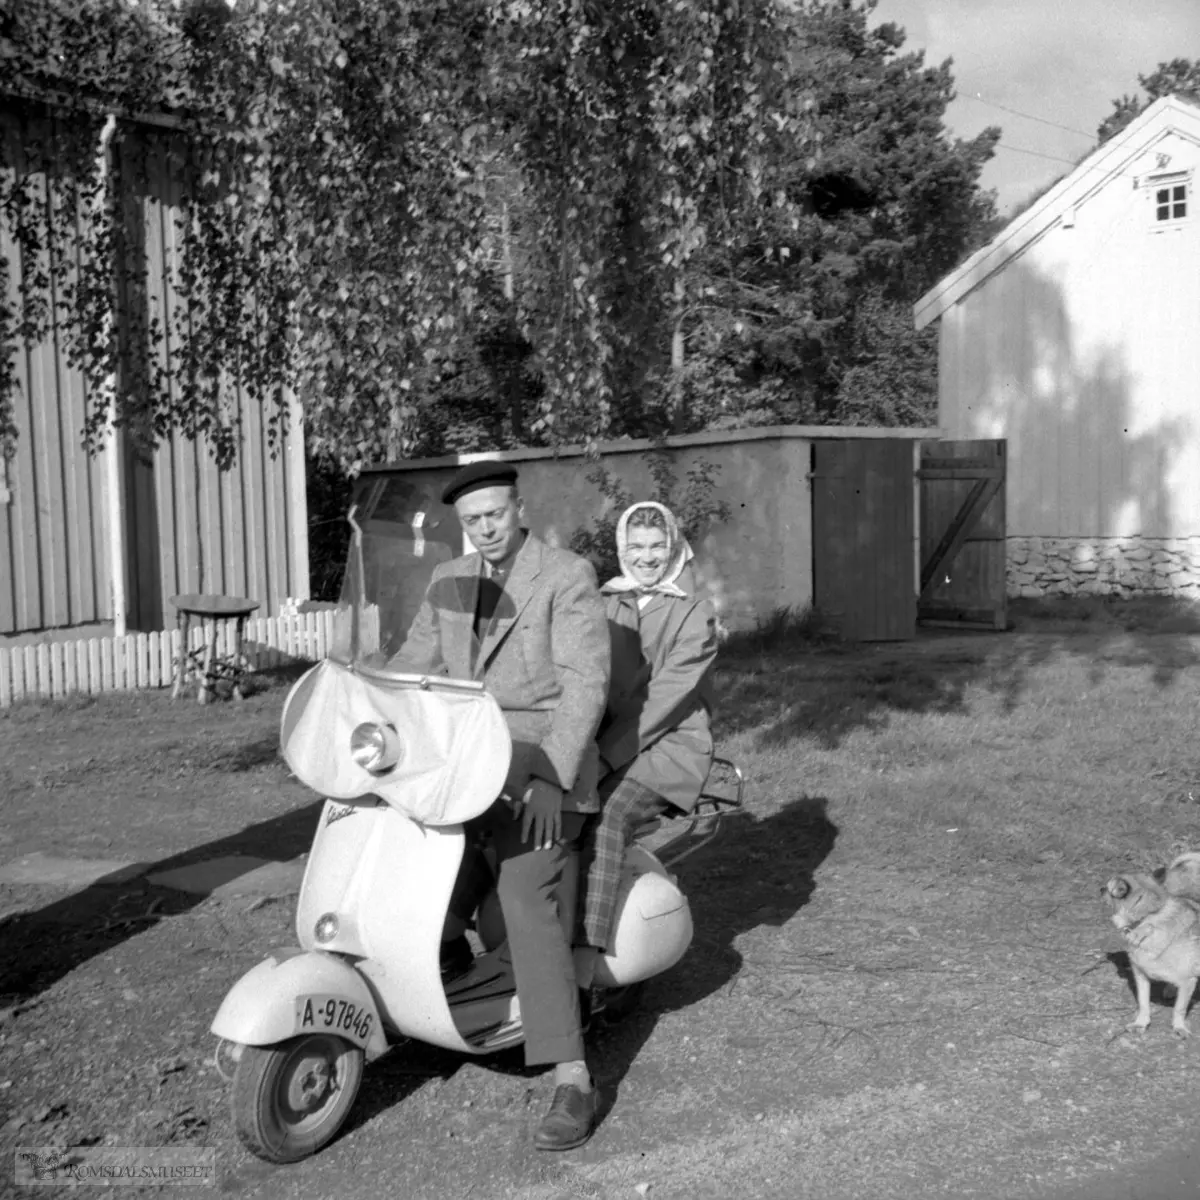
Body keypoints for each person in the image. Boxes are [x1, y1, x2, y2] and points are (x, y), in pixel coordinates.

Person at [388, 460, 609, 1152]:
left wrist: (550, 775)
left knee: (523, 891)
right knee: (409, 867)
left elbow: (584, 688)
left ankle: (571, 1073)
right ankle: (442, 986)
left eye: (494, 514)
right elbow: (409, 662)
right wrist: (362, 700)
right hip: (464, 767)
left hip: (543, 766)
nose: (484, 529)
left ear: (519, 509)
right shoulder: (448, 579)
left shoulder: (565, 575)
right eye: (472, 520)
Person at [574, 501, 719, 990]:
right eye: (636, 547)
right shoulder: (604, 601)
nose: (647, 557)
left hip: (668, 745)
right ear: (622, 549)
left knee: (608, 816)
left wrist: (599, 761)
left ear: (674, 547)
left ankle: (585, 960)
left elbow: (663, 702)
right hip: (606, 740)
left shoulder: (694, 614)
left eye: (657, 546)